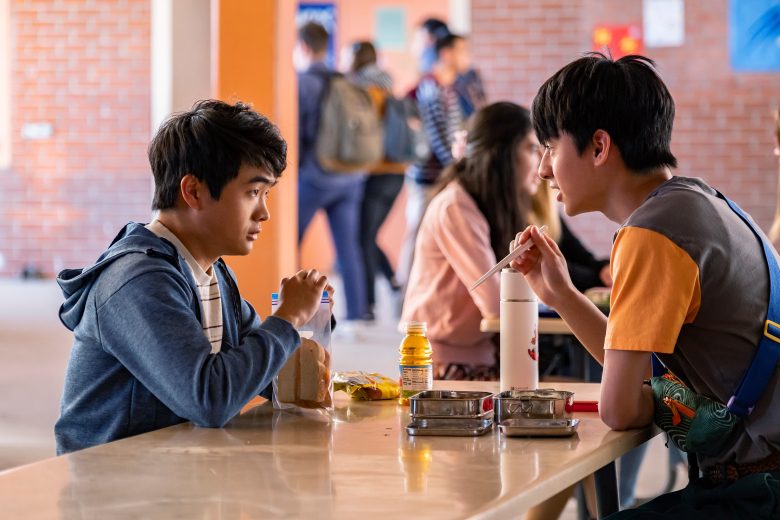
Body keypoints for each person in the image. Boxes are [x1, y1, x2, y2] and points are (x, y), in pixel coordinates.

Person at [512, 53, 780, 518]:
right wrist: (560, 295)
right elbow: (632, 374)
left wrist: (652, 396)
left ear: (598, 147)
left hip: (757, 491)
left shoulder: (650, 234)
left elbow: (619, 407)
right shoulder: (700, 203)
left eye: (550, 148)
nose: (542, 170)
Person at [55, 100, 334, 454]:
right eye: (252, 192)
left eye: (266, 194)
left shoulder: (211, 270)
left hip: (174, 472)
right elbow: (210, 400)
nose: (264, 212)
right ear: (194, 192)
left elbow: (267, 379)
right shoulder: (137, 281)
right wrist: (288, 318)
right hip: (114, 493)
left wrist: (311, 320)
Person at [295, 21, 367, 322]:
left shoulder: (303, 82)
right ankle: (358, 314)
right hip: (350, 177)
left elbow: (298, 132)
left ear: (303, 47)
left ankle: (289, 306)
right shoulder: (347, 80)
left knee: (289, 239)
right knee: (348, 247)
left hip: (315, 175)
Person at [342, 41, 405, 321]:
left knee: (361, 238)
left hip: (374, 172)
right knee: (367, 236)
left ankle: (367, 305)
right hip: (397, 171)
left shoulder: (360, 89)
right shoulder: (387, 85)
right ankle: (390, 281)